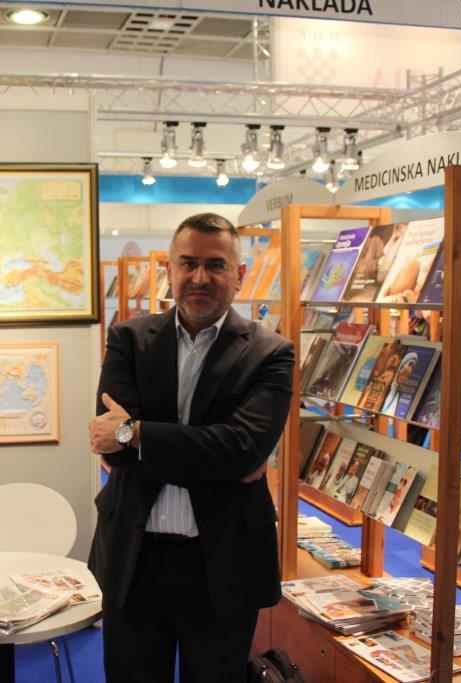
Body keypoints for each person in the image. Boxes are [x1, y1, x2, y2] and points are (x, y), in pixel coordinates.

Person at [88, 212, 294, 682]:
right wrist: (217, 457)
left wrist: (137, 434)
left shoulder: (271, 353)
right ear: (169, 269)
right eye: (188, 263)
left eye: (216, 265)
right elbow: (112, 448)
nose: (200, 277)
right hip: (134, 561)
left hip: (223, 563)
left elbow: (242, 449)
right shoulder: (128, 340)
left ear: (239, 275)